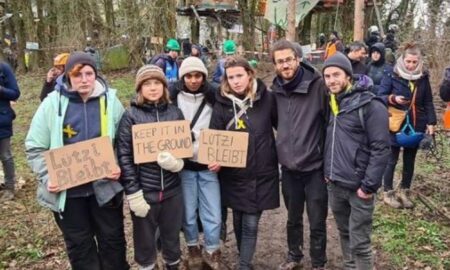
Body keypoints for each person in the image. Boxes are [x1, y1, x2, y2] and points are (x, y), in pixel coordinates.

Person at [25, 52, 129, 270]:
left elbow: (124, 141)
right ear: (67, 76)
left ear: (96, 75)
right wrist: (48, 175)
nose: (84, 79)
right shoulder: (51, 104)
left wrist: (117, 164)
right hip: (68, 194)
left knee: (113, 243)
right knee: (80, 247)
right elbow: (35, 147)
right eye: (77, 74)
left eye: (89, 73)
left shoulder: (111, 101)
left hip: (104, 189)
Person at [210, 56, 279, 270]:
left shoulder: (267, 99)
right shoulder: (221, 103)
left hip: (261, 172)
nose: (236, 81)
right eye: (231, 77)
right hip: (234, 175)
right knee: (238, 220)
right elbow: (215, 136)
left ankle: (244, 265)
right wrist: (215, 159)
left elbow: (282, 127)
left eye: (239, 75)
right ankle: (244, 257)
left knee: (250, 222)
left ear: (249, 74)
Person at [322, 52, 390, 269]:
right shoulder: (334, 103)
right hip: (335, 184)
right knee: (344, 233)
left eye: (336, 75)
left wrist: (368, 186)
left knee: (360, 243)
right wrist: (328, 172)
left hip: (359, 189)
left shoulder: (371, 105)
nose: (331, 80)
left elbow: (381, 149)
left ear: (348, 76)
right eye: (327, 76)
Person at [117, 65, 185, 270]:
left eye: (157, 83)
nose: (153, 88)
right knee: (145, 243)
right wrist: (133, 192)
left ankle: (172, 264)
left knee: (172, 238)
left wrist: (178, 163)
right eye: (147, 84)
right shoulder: (131, 116)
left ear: (164, 87)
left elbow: (185, 146)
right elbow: (124, 156)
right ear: (140, 89)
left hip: (172, 191)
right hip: (145, 192)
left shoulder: (175, 112)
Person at [270, 40, 328, 270]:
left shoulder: (318, 87)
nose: (285, 65)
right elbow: (275, 122)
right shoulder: (274, 92)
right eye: (280, 61)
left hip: (314, 167)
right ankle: (294, 256)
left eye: (289, 59)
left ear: (298, 59)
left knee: (317, 220)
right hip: (289, 169)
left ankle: (318, 262)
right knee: (293, 218)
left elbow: (329, 121)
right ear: (275, 65)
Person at [168, 57, 222, 269]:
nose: (193, 80)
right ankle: (192, 248)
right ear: (182, 77)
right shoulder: (173, 98)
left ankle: (212, 250)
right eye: (188, 76)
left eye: (197, 75)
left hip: (208, 165)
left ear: (203, 76)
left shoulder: (214, 96)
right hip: (184, 167)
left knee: (213, 213)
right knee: (188, 213)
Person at [378, 43, 437, 209]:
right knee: (391, 159)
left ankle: (405, 191)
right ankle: (388, 193)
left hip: (416, 124)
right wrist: (393, 99)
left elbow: (428, 101)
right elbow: (380, 95)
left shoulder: (423, 77)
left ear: (419, 62)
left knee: (409, 160)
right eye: (408, 61)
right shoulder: (391, 73)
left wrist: (431, 122)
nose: (411, 65)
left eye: (414, 62)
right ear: (403, 60)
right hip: (395, 123)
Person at [0, 61, 20, 201]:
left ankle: (9, 188)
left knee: (5, 155)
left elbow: (15, 93)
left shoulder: (3, 68)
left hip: (2, 120)